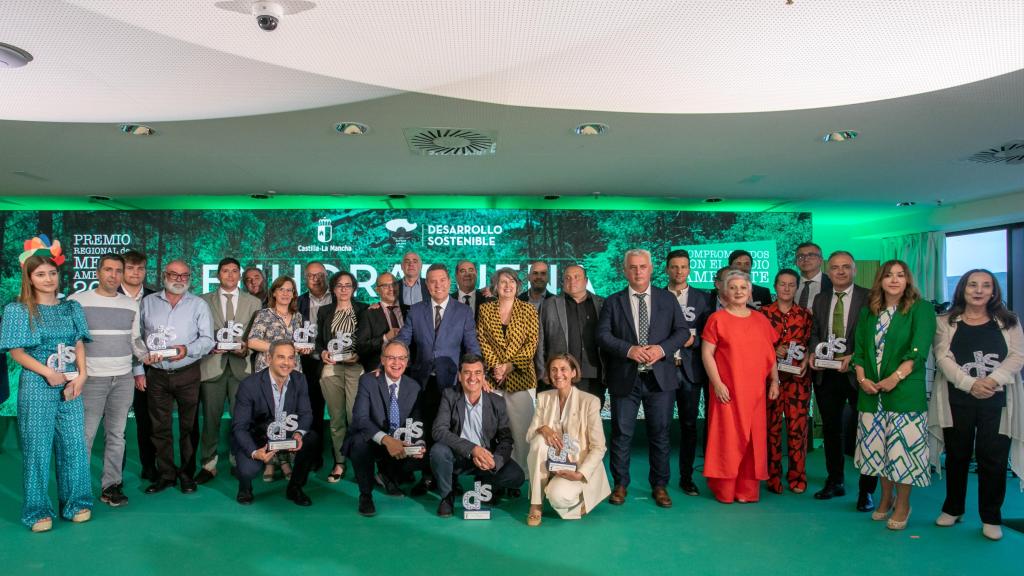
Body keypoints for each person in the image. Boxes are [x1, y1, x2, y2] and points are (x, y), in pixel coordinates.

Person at [1, 239, 92, 531]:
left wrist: (82, 374)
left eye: (52, 273)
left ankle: (77, 503)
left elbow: (78, 342)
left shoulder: (71, 307)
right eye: (40, 274)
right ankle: (38, 510)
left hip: (71, 383)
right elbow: (17, 352)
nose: (48, 279)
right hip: (38, 384)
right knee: (38, 448)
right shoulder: (18, 310)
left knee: (74, 446)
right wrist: (47, 373)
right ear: (29, 278)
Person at [928, 269, 1024, 541]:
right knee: (956, 456)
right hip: (957, 398)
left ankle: (991, 517)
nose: (978, 290)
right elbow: (942, 357)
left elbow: (1017, 356)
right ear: (963, 289)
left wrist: (992, 381)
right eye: (973, 285)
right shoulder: (945, 321)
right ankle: (953, 508)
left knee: (992, 459)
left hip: (998, 400)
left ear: (994, 292)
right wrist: (970, 384)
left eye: (986, 286)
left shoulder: (1009, 321)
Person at [597, 249, 686, 508]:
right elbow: (602, 335)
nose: (638, 271)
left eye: (642, 267)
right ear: (624, 271)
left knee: (660, 434)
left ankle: (659, 486)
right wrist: (629, 349)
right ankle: (620, 484)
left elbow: (681, 332)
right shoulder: (613, 302)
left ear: (651, 269)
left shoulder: (667, 300)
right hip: (626, 377)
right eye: (633, 267)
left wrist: (660, 350)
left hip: (660, 379)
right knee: (622, 434)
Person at [851, 259, 936, 530]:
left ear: (908, 279)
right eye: (888, 275)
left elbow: (919, 350)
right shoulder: (869, 310)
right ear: (881, 280)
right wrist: (862, 378)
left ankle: (903, 504)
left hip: (904, 393)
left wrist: (894, 377)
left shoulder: (921, 309)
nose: (894, 280)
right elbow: (860, 350)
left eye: (900, 275)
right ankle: (885, 498)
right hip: (871, 393)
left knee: (903, 452)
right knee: (878, 451)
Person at [69, 253, 149, 507]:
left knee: (117, 434)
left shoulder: (130, 304)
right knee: (86, 435)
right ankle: (77, 490)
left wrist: (151, 355)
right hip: (90, 379)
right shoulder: (76, 302)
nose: (113, 275)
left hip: (122, 378)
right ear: (97, 272)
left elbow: (135, 341)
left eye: (118, 270)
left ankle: (111, 486)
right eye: (108, 270)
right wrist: (75, 376)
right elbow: (70, 343)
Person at [396, 263, 481, 494]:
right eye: (432, 281)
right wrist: (388, 360)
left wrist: (477, 374)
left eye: (442, 280)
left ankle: (450, 478)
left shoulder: (463, 311)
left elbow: (472, 346)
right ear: (427, 284)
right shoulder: (415, 310)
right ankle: (425, 476)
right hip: (421, 382)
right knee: (422, 429)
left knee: (449, 430)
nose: (438, 285)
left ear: (449, 282)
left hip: (451, 382)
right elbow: (403, 340)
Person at [702, 269, 780, 503]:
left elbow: (771, 354)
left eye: (743, 288)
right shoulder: (717, 319)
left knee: (752, 441)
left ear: (750, 292)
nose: (738, 291)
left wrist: (774, 380)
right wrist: (717, 384)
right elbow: (707, 354)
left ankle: (746, 490)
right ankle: (724, 488)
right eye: (733, 287)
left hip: (754, 392)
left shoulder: (761, 320)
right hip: (727, 391)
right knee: (727, 439)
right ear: (725, 292)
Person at [809, 250, 878, 511]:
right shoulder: (821, 298)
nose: (840, 271)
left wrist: (855, 356)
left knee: (866, 432)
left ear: (854, 269)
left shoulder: (870, 297)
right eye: (835, 267)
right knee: (831, 429)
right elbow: (815, 330)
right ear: (828, 272)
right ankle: (835, 480)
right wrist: (815, 352)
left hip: (858, 375)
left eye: (845, 267)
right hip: (827, 374)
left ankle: (866, 491)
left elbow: (874, 337)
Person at [140, 260, 215, 495]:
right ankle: (166, 475)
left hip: (187, 372)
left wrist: (187, 349)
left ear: (190, 278)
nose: (179, 279)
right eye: (174, 274)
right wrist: (138, 369)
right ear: (164, 275)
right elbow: (137, 339)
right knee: (159, 426)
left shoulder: (199, 305)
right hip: (157, 375)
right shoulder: (147, 303)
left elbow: (208, 340)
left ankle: (186, 474)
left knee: (188, 427)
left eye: (184, 275)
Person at [430, 353, 526, 517]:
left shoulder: (497, 401)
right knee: (438, 451)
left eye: (477, 372)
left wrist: (495, 462)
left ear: (483, 377)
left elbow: (506, 439)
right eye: (467, 372)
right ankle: (447, 496)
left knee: (517, 477)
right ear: (459, 377)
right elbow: (439, 430)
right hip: (458, 455)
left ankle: (486, 483)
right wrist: (472, 449)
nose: (472, 377)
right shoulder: (450, 395)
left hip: (486, 457)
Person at [525, 354, 611, 525]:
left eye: (563, 369)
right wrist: (543, 428)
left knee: (557, 496)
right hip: (552, 464)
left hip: (578, 466)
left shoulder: (590, 401)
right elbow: (529, 436)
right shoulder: (544, 397)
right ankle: (536, 505)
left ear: (573, 373)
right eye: (554, 370)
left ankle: (583, 499)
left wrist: (580, 474)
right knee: (538, 442)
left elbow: (599, 447)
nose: (558, 374)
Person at [231, 340, 320, 506]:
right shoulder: (249, 385)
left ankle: (295, 488)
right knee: (248, 469)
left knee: (311, 438)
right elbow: (240, 427)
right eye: (281, 357)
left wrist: (298, 434)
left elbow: (306, 414)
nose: (286, 363)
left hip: (286, 432)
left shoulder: (299, 380)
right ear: (268, 359)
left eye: (290, 358)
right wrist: (254, 452)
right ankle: (245, 487)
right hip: (258, 436)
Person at [196, 257, 260, 484]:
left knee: (241, 420)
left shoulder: (253, 302)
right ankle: (208, 463)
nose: (230, 275)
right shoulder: (202, 301)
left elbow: (256, 336)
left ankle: (238, 460)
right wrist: (209, 346)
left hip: (241, 368)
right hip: (212, 367)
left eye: (235, 271)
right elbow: (197, 334)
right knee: (210, 419)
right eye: (226, 271)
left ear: (239, 275)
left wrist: (246, 349)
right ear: (218, 275)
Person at [344, 341, 426, 516]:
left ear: (407, 361)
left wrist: (418, 443)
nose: (397, 363)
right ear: (382, 360)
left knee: (426, 454)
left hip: (397, 438)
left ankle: (387, 475)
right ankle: (365, 495)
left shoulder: (414, 387)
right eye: (391, 358)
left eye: (401, 358)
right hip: (373, 438)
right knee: (359, 443)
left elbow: (417, 421)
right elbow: (360, 418)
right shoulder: (368, 380)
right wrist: (387, 440)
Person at [476, 267, 539, 487]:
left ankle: (522, 475)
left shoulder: (529, 310)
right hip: (493, 380)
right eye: (503, 282)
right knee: (495, 430)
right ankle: (498, 474)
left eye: (512, 282)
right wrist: (495, 366)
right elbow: (482, 340)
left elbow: (531, 344)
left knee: (522, 431)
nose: (508, 285)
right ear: (495, 286)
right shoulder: (485, 310)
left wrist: (509, 366)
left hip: (521, 378)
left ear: (518, 286)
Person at [247, 275, 308, 481]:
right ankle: (269, 461)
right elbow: (253, 341)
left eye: (289, 290)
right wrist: (281, 350)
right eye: (281, 289)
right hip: (268, 371)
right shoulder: (264, 314)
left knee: (287, 416)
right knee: (268, 417)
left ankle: (285, 459)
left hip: (292, 371)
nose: (285, 293)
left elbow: (303, 343)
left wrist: (303, 349)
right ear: (273, 292)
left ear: (293, 295)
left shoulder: (298, 317)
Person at [758, 269, 813, 493]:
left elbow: (812, 344)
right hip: (771, 379)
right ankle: (772, 477)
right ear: (775, 286)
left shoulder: (806, 315)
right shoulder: (762, 314)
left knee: (797, 430)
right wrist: (773, 349)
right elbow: (755, 346)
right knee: (770, 429)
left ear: (797, 287)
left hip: (798, 380)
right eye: (782, 284)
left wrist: (806, 360)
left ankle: (797, 477)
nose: (787, 288)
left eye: (791, 284)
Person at [664, 249, 713, 496]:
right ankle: (659, 480)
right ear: (667, 270)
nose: (679, 271)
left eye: (683, 267)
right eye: (674, 267)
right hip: (662, 369)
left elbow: (712, 334)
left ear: (689, 269)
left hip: (691, 370)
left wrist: (692, 341)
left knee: (689, 425)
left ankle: (686, 477)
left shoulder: (703, 299)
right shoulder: (656, 296)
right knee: (659, 426)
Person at [315, 270, 368, 483]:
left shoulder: (364, 309)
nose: (344, 289)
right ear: (333, 289)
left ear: (354, 288)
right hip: (332, 369)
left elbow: (369, 338)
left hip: (356, 367)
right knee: (336, 418)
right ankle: (339, 462)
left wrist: (360, 355)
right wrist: (322, 353)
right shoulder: (324, 311)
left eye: (348, 285)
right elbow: (318, 339)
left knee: (355, 416)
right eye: (339, 285)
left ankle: (360, 461)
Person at [537, 264, 605, 400]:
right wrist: (543, 371)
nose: (572, 281)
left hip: (593, 375)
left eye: (576, 277)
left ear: (586, 281)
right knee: (559, 419)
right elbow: (539, 341)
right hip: (559, 376)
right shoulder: (549, 304)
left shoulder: (601, 304)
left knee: (589, 419)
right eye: (567, 278)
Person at [121, 249, 158, 482]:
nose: (136, 273)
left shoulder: (155, 297)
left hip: (149, 369)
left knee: (147, 421)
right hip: (117, 367)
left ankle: (149, 465)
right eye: (130, 268)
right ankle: (116, 472)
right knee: (117, 426)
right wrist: (135, 369)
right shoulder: (109, 295)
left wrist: (142, 369)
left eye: (140, 268)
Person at [297, 261, 333, 467]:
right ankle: (313, 454)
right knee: (313, 409)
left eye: (320, 275)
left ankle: (342, 456)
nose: (316, 279)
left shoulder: (339, 297)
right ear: (305, 278)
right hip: (307, 361)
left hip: (335, 359)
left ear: (326, 275)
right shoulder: (298, 301)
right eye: (311, 275)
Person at [354, 272, 403, 373]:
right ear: (377, 290)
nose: (391, 289)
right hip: (380, 368)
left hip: (410, 367)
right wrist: (385, 338)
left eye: (394, 284)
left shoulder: (410, 310)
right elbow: (361, 347)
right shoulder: (369, 314)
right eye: (385, 286)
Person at [795, 242, 832, 310]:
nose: (805, 259)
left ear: (820, 260)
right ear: (796, 262)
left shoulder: (832, 283)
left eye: (811, 255)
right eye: (801, 256)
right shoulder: (791, 283)